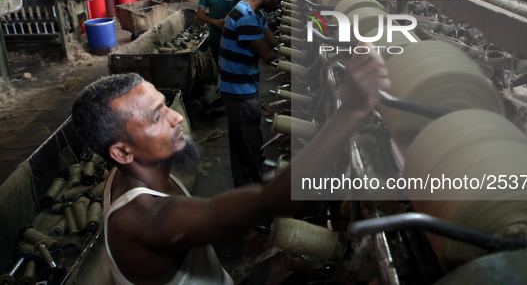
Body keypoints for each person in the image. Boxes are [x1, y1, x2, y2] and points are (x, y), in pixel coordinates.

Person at [71, 46, 390, 284]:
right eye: (157, 117)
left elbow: (189, 225)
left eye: (165, 105)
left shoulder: (127, 176)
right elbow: (273, 200)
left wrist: (232, 231)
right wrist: (352, 109)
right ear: (123, 152)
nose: (176, 117)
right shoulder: (145, 218)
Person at [218, 0, 292, 187]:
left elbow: (273, 42)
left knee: (240, 142)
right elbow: (268, 55)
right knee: (250, 143)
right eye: (280, 0)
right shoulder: (245, 18)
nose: (279, 5)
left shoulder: (252, 12)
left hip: (236, 86)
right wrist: (304, 66)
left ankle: (242, 186)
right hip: (238, 90)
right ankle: (258, 192)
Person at [197, 0, 247, 65]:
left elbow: (248, 9)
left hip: (235, 36)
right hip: (216, 37)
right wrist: (214, 22)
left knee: (235, 64)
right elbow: (199, 15)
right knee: (220, 64)